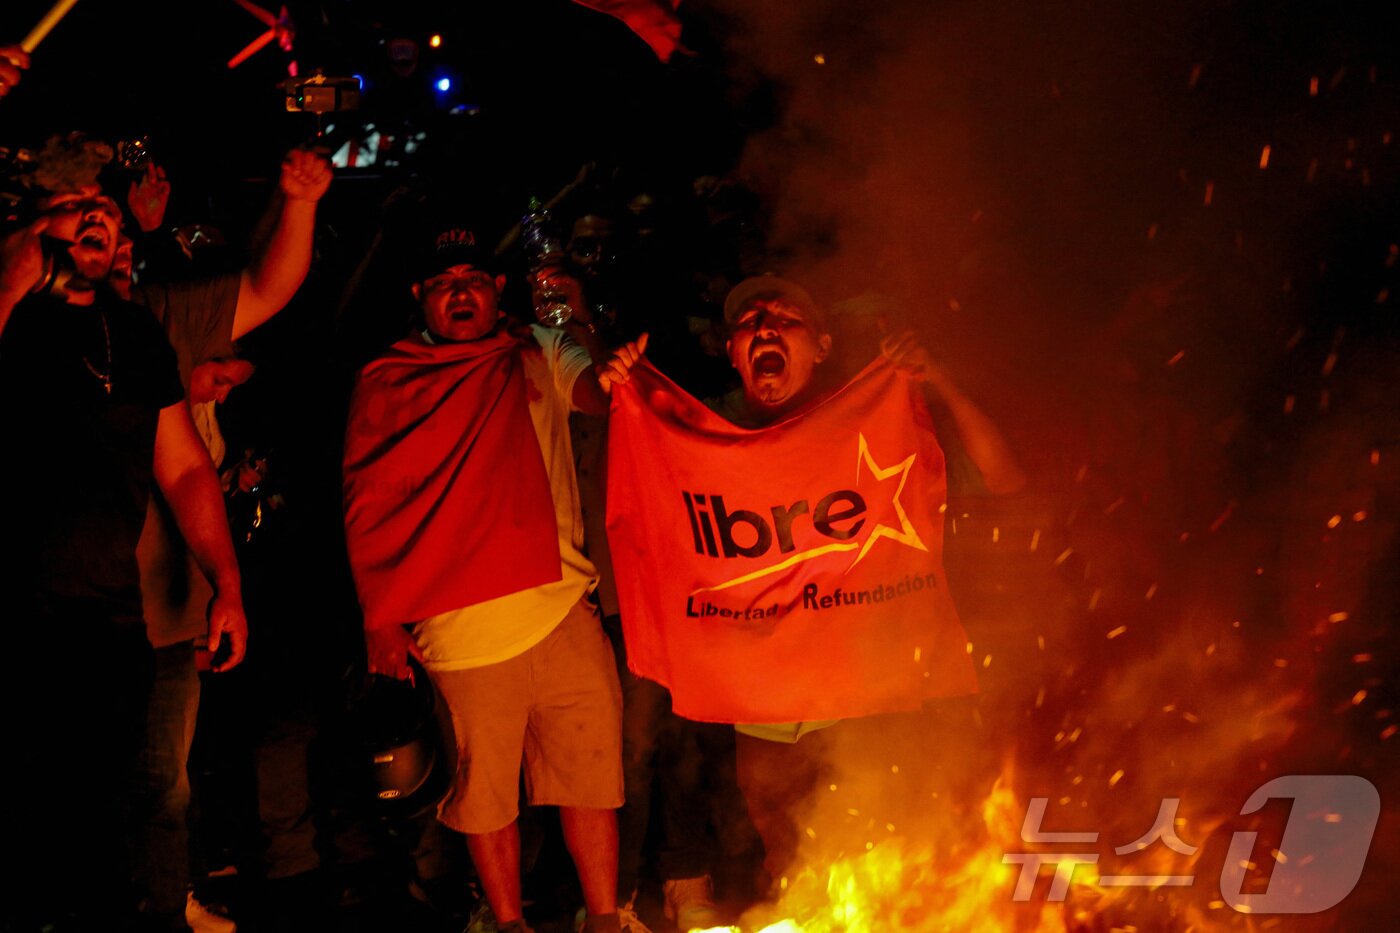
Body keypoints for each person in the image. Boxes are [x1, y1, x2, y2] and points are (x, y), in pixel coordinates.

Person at [342, 223, 646, 933]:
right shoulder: (391, 378)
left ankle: (602, 917)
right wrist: (379, 618)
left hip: (562, 604)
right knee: (485, 797)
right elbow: (367, 499)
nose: (460, 294)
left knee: (593, 781)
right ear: (421, 295)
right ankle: (508, 922)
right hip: (459, 624)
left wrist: (614, 376)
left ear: (496, 289)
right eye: (445, 283)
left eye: (473, 280)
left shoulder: (536, 349)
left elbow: (593, 389)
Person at [707, 274, 1025, 879]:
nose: (765, 327)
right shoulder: (709, 433)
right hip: (763, 699)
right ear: (732, 353)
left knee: (879, 851)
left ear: (823, 347)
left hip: (865, 697)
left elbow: (1004, 478)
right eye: (749, 321)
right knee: (785, 858)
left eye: (785, 318)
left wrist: (941, 383)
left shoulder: (872, 423)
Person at [0, 181, 247, 930]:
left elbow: (183, 467)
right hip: (18, 617)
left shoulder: (132, 333)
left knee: (119, 820)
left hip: (107, 617)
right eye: (78, 207)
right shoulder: (16, 318)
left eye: (104, 211)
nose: (96, 217)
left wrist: (226, 583)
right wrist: (38, 233)